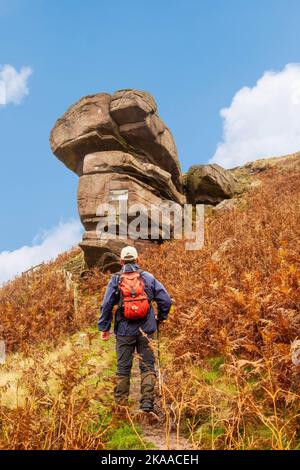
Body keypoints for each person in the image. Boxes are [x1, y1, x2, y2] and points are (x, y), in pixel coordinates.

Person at [98, 246, 172, 412]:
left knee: (123, 368)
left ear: (121, 261)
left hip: (124, 332)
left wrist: (104, 328)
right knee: (147, 366)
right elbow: (166, 300)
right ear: (138, 260)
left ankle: (121, 407)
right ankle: (147, 402)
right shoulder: (148, 278)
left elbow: (106, 305)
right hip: (147, 329)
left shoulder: (115, 280)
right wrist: (161, 317)